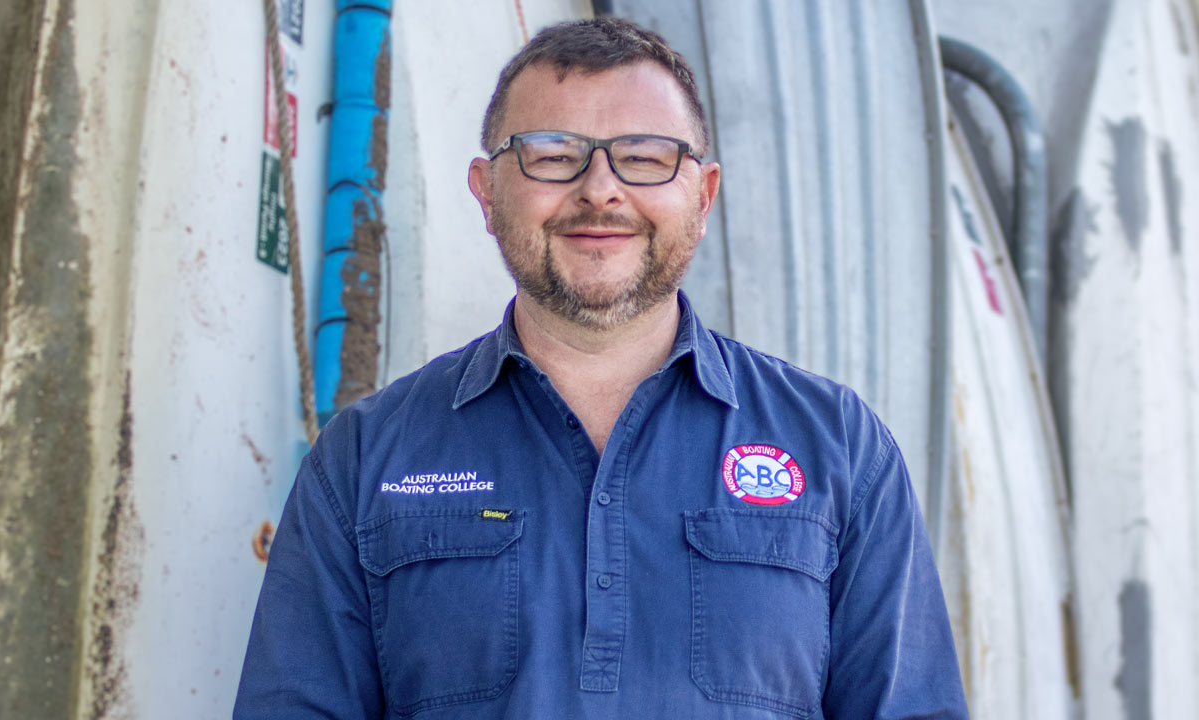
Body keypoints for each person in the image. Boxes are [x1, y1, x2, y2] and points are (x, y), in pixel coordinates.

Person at [234, 17, 967, 719]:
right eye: (553, 155)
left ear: (703, 196)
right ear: (488, 192)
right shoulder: (364, 462)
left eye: (645, 157)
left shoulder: (840, 449)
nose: (601, 189)